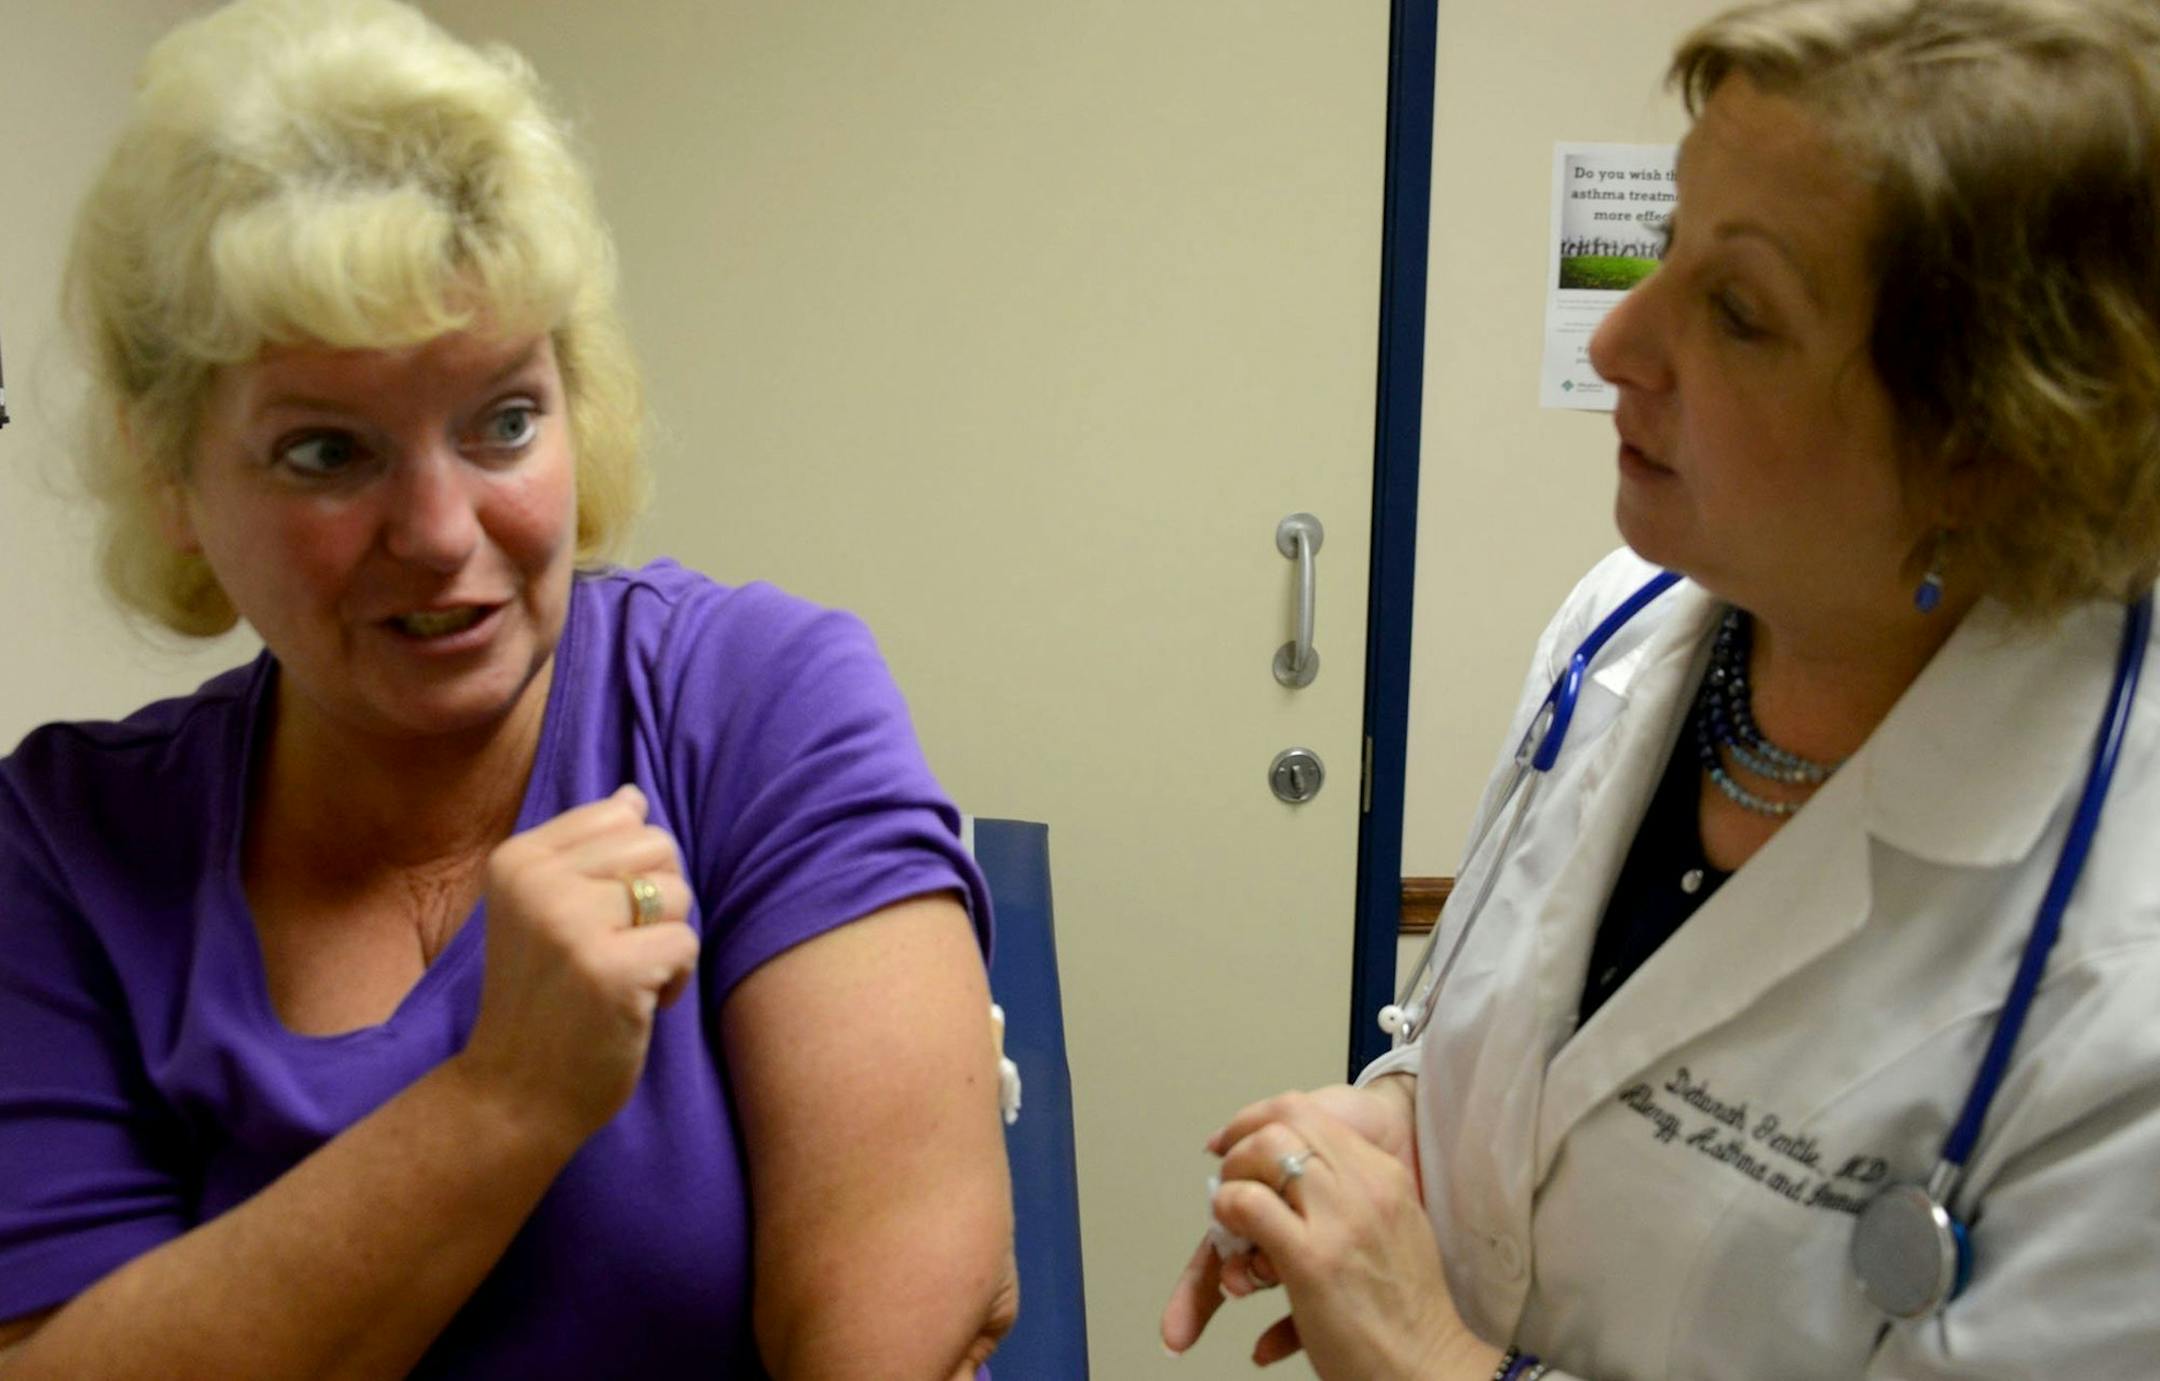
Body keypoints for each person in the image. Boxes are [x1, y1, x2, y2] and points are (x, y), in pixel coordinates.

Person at [0, 1, 1016, 1375]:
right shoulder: (65, 843)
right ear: (171, 474)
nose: (438, 528)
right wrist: (505, 1097)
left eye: (505, 419)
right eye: (325, 452)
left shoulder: (756, 704)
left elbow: (892, 1336)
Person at [1162, 0, 2160, 1376]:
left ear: (1990, 443)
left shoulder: (2124, 970)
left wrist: (1429, 1356)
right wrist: (1404, 1124)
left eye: (1738, 310)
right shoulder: (1621, 627)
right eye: (1663, 249)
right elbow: (1521, 1040)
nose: (1617, 344)